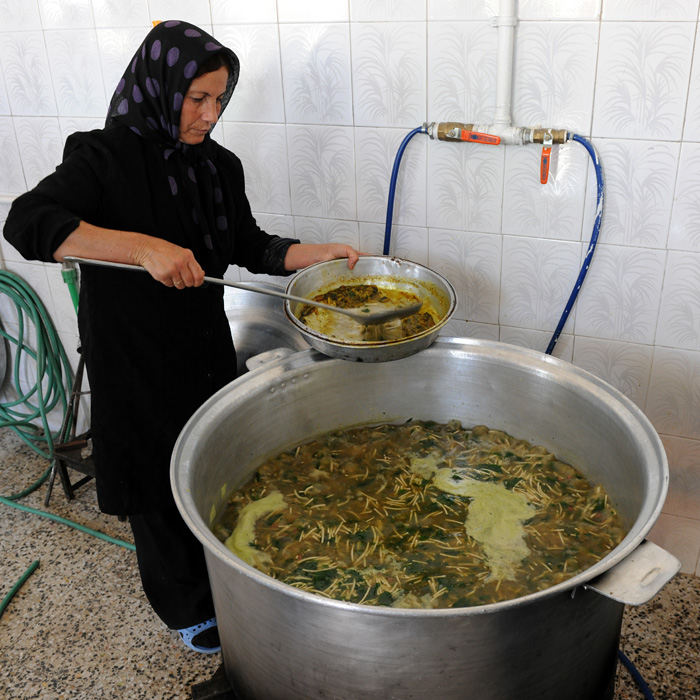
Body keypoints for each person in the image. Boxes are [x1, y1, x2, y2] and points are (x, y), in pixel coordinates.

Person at [3, 20, 361, 654]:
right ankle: (188, 607)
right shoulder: (101, 157)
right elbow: (28, 222)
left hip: (200, 343)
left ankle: (232, 567)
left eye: (220, 99)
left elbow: (248, 246)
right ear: (160, 87)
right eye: (197, 99)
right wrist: (143, 248)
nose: (210, 114)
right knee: (155, 481)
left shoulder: (220, 166)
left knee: (215, 459)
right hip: (131, 353)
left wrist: (314, 254)